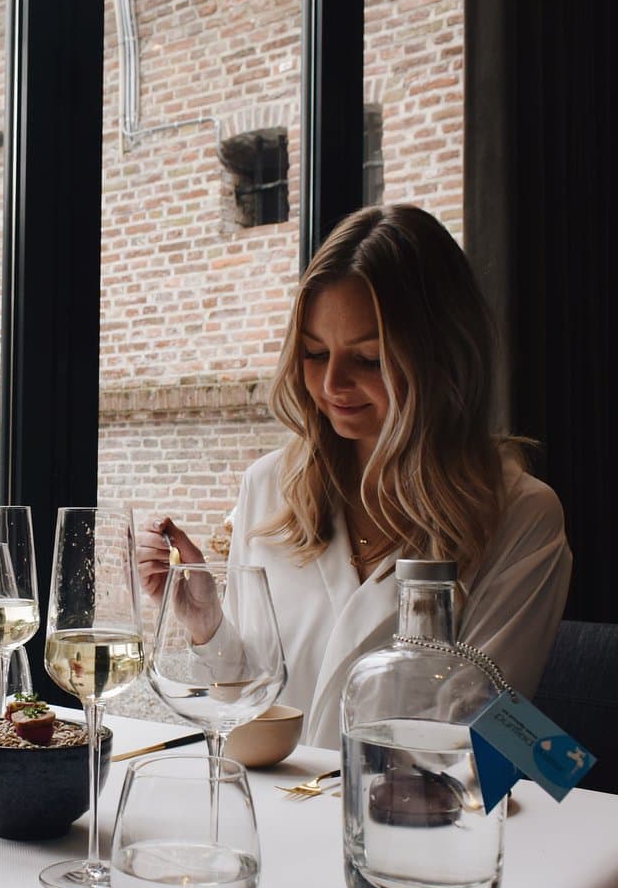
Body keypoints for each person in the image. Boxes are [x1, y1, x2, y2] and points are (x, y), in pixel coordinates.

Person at [137, 204, 572, 750]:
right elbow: (252, 700)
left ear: (442, 358)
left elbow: (486, 738)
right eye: (316, 353)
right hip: (273, 817)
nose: (333, 383)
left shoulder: (521, 517)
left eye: (369, 359)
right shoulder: (270, 486)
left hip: (410, 826)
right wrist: (205, 620)